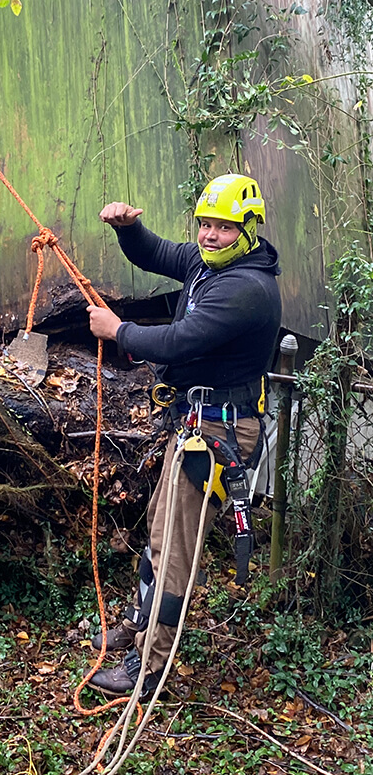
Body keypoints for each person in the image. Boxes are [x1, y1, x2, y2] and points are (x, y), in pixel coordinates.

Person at [85, 172, 282, 696]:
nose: (210, 235)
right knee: (160, 526)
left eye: (224, 227)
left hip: (221, 431)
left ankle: (149, 666)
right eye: (205, 224)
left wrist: (119, 330)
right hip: (200, 422)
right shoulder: (210, 263)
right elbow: (157, 254)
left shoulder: (246, 289)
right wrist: (129, 230)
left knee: (175, 545)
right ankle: (139, 624)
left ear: (248, 229)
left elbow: (180, 340)